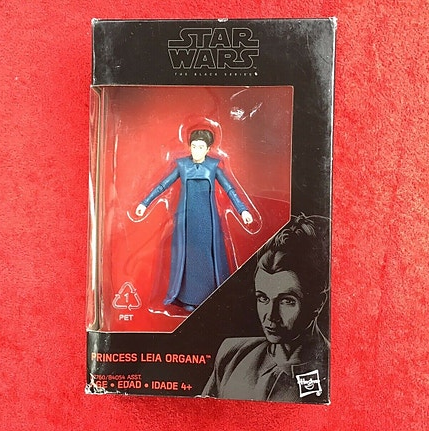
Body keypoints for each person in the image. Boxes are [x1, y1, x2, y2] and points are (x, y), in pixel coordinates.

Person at [202, 214, 330, 402]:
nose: (271, 316)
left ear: (318, 303)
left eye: (286, 301)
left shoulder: (332, 368)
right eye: (263, 298)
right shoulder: (233, 354)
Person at [136, 129, 253, 311]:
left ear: (208, 149)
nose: (197, 150)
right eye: (194, 146)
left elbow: (230, 189)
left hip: (208, 221)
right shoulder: (182, 166)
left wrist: (242, 210)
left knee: (207, 256)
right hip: (186, 221)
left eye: (201, 147)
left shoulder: (213, 167)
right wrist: (144, 203)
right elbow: (162, 185)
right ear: (189, 147)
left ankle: (209, 296)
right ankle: (188, 298)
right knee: (188, 257)